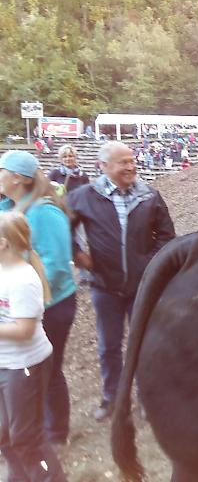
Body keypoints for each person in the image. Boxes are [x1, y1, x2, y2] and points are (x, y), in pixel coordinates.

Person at [66, 141, 176, 421]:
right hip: (104, 286)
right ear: (103, 166)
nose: (131, 166)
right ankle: (112, 398)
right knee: (109, 346)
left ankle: (146, 399)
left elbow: (166, 236)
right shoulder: (82, 197)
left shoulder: (150, 195)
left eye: (132, 160)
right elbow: (63, 231)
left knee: (144, 343)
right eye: (123, 162)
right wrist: (78, 255)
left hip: (143, 286)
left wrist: (147, 263)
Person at [0, 151, 77, 446]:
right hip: (19, 304)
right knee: (25, 367)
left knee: (50, 366)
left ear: (17, 177)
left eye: (1, 170)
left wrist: (31, 306)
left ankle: (56, 433)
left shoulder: (44, 212)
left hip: (50, 304)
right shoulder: (8, 207)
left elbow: (57, 265)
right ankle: (28, 425)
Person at [0, 211, 67, 482]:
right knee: (4, 432)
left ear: (3, 243)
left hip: (25, 366)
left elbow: (25, 330)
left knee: (27, 437)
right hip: (5, 363)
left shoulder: (23, 279)